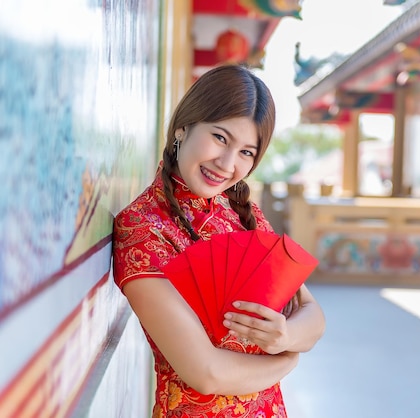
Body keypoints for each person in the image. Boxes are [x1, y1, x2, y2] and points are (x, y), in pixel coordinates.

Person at [112, 64, 326, 417]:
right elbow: (207, 374)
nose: (227, 163)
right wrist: (287, 360)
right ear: (184, 126)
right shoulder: (144, 229)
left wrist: (284, 337)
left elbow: (313, 317)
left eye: (246, 152)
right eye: (220, 138)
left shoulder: (244, 214)